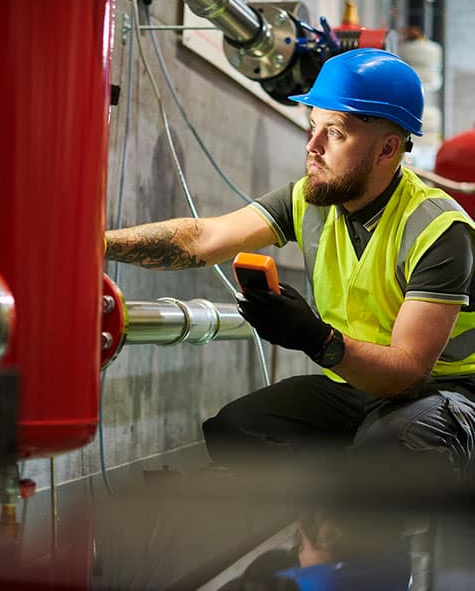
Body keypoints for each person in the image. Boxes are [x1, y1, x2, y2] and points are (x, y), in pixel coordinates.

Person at [104, 48, 475, 477]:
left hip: (447, 394)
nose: (312, 148)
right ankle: (333, 515)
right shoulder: (311, 199)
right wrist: (96, 244)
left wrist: (318, 339)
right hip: (361, 386)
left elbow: (407, 376)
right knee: (238, 432)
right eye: (312, 127)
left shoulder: (439, 229)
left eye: (333, 133)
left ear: (387, 149)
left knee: (395, 445)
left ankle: (381, 516)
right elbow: (204, 239)